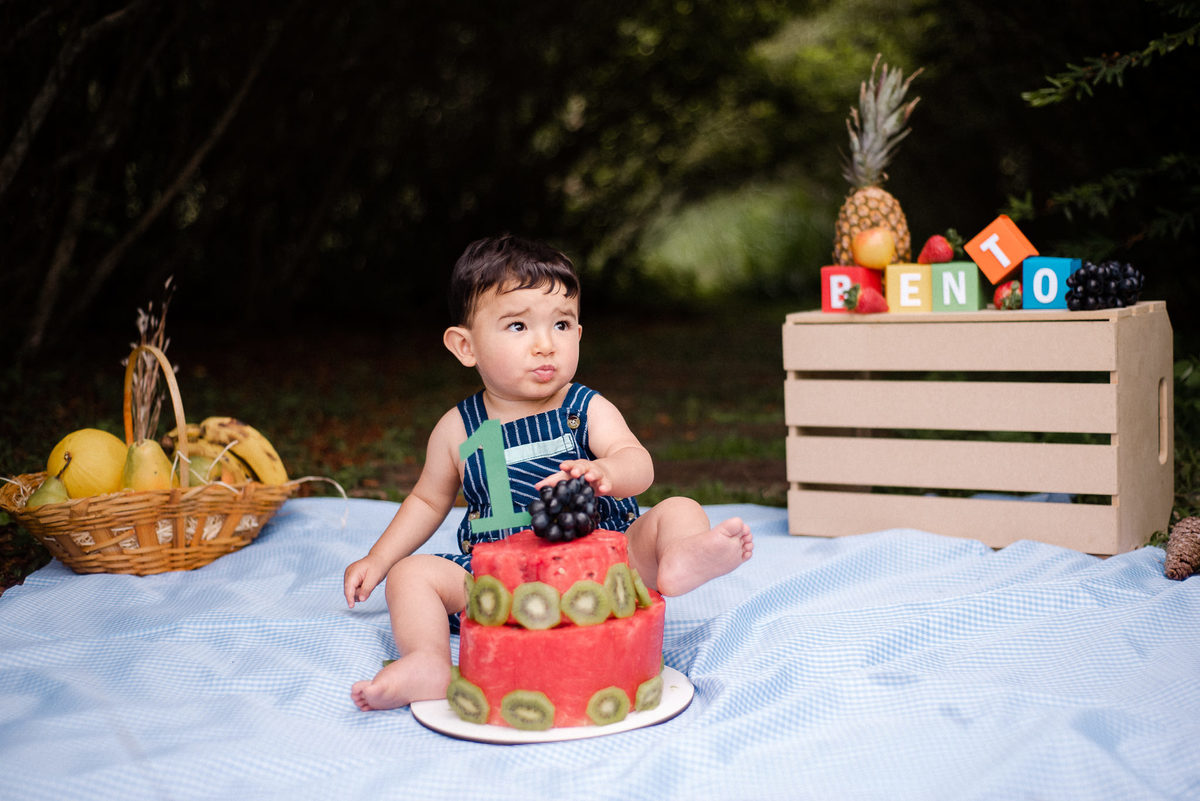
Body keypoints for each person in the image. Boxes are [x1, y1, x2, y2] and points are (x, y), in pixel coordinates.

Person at [343, 234, 754, 711]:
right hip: (499, 583)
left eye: (561, 324)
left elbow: (637, 461)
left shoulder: (584, 408)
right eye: (518, 326)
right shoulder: (458, 430)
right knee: (411, 576)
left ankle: (679, 560)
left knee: (680, 508)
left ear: (578, 334)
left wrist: (607, 470)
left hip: (608, 565)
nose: (545, 345)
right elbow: (427, 501)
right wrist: (379, 560)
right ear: (465, 346)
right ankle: (427, 661)